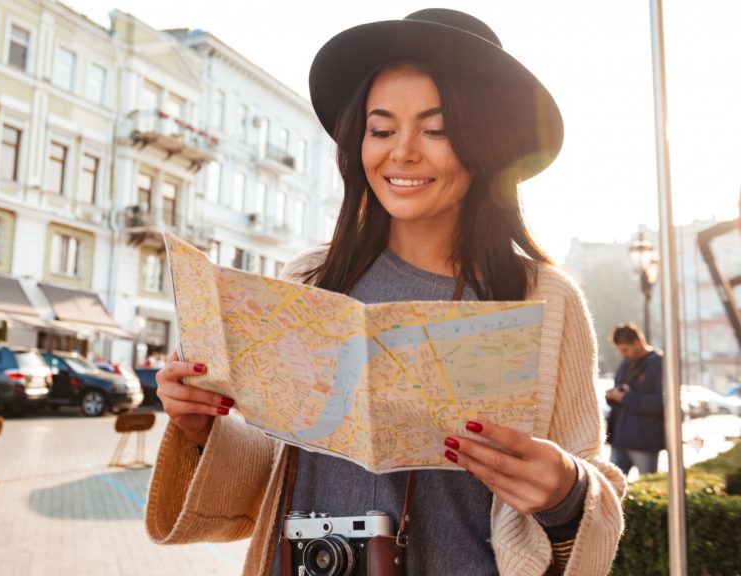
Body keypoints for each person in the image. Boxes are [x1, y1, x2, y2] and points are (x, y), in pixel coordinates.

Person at [146, 9, 626, 575]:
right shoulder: (311, 280)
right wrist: (202, 428)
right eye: (381, 129)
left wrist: (566, 491)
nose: (402, 152)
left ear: (484, 142)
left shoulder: (544, 298)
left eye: (436, 128)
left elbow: (596, 490)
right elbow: (276, 468)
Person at [605, 323, 665, 476]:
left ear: (637, 343)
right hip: (619, 439)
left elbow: (662, 403)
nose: (623, 355)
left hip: (644, 441)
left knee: (647, 486)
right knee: (612, 487)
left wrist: (627, 398)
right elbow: (620, 392)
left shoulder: (658, 364)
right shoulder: (626, 365)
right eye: (620, 351)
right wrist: (612, 396)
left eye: (625, 350)